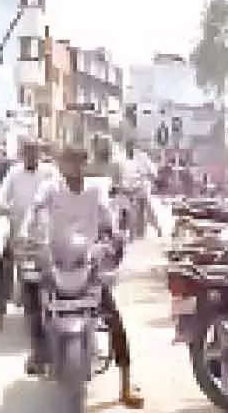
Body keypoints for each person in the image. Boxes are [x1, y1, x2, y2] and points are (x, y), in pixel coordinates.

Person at [20, 147, 144, 408]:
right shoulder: (49, 189)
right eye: (68, 161)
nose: (73, 166)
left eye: (78, 161)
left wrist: (115, 236)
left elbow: (108, 219)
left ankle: (125, 384)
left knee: (114, 319)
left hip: (86, 262)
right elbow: (36, 211)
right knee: (31, 297)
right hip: (54, 260)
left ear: (85, 163)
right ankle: (38, 353)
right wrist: (28, 235)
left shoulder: (95, 190)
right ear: (60, 163)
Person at [0, 139, 60, 331]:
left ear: (39, 153)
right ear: (22, 154)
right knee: (4, 264)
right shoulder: (14, 173)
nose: (31, 156)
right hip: (19, 232)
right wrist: (4, 207)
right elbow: (1, 198)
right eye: (27, 152)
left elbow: (60, 194)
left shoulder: (50, 172)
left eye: (34, 152)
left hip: (46, 232)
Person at [120, 141, 163, 238]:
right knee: (130, 212)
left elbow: (152, 172)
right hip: (128, 190)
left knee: (147, 210)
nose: (129, 149)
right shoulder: (122, 158)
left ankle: (157, 228)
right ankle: (132, 234)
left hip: (142, 188)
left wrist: (149, 178)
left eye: (131, 146)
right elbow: (122, 175)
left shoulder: (142, 157)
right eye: (127, 147)